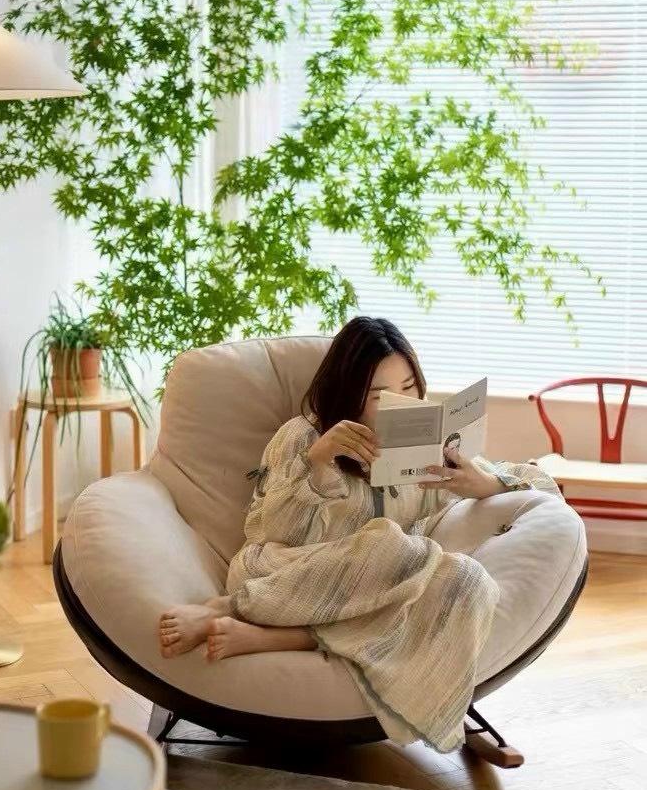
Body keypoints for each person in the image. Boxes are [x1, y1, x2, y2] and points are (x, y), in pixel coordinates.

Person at [158, 317, 561, 750]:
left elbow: (538, 485)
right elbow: (272, 530)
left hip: (375, 588)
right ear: (349, 392)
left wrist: (485, 484)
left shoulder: (434, 448)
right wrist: (317, 463)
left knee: (469, 579)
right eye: (380, 395)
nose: (401, 403)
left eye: (409, 387)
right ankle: (231, 608)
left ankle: (290, 638)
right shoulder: (303, 436)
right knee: (392, 544)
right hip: (280, 579)